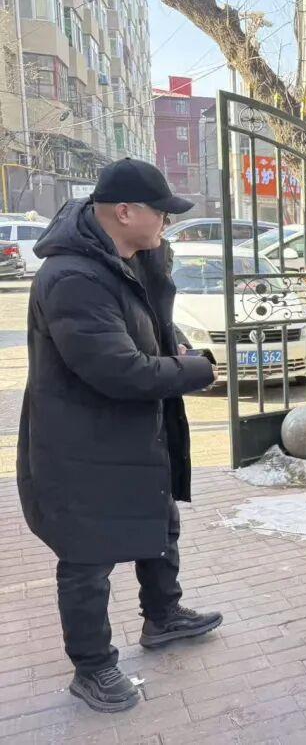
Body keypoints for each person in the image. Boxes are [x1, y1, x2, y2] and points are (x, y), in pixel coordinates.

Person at [17, 158, 221, 713]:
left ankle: (163, 615)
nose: (167, 223)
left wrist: (170, 338)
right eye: (161, 213)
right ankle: (92, 668)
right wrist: (195, 369)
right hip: (80, 445)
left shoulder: (127, 261)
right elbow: (118, 370)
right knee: (87, 558)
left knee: (160, 521)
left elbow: (147, 330)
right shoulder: (73, 277)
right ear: (125, 212)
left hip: (130, 435)